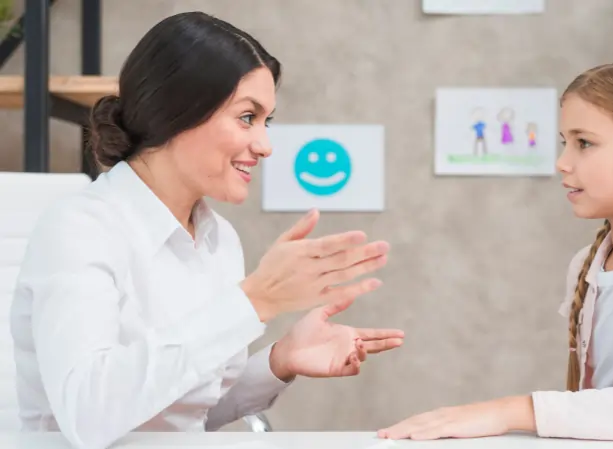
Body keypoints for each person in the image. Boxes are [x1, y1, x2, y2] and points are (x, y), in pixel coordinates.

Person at [9, 12, 404, 449]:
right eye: (247, 117)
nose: (265, 145)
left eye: (265, 121)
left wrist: (278, 361)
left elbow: (182, 412)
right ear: (178, 111)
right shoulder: (80, 229)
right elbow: (90, 415)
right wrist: (254, 301)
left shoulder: (219, 241)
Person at [377, 60, 613, 441]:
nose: (562, 163)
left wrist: (512, 411)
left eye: (584, 143)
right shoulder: (585, 266)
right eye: (564, 142)